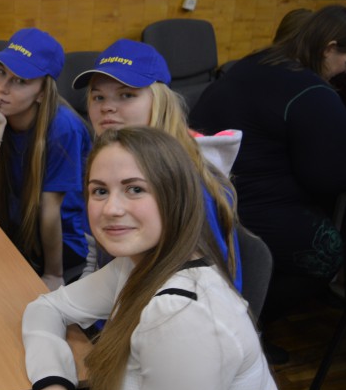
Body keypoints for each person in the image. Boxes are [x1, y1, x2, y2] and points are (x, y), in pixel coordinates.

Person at [21, 127, 284, 390]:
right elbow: (46, 308)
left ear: (175, 196)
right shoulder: (136, 265)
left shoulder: (182, 318)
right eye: (100, 191)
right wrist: (53, 388)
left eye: (134, 189)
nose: (111, 209)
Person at [190, 4, 346, 333]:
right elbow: (327, 179)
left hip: (207, 188)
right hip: (247, 205)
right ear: (329, 48)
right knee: (327, 251)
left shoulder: (256, 61)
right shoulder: (313, 91)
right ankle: (246, 327)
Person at [72, 39, 242, 291]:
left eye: (126, 95)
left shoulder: (193, 182)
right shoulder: (106, 168)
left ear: (159, 102)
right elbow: (97, 257)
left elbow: (210, 288)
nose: (106, 107)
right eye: (98, 97)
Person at [0, 28, 92, 290]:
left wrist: (54, 274)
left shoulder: (63, 129)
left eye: (20, 81)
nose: (2, 88)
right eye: (1, 72)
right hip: (12, 229)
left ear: (42, 93)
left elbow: (50, 210)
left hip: (57, 243)